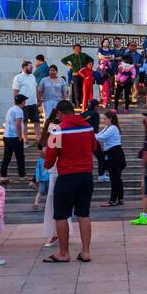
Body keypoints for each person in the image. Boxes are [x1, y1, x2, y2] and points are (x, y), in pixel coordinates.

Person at [42, 98, 97, 263]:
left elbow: (50, 159)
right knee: (83, 214)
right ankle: (85, 252)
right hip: (86, 175)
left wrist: (46, 160)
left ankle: (64, 253)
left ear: (59, 113)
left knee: (61, 215)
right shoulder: (88, 128)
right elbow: (94, 147)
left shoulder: (57, 130)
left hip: (67, 176)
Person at [97, 109, 126, 206]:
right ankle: (120, 198)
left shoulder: (113, 128)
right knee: (117, 178)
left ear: (110, 119)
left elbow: (102, 137)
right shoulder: (108, 127)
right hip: (112, 154)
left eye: (105, 118)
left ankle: (113, 200)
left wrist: (88, 134)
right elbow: (99, 135)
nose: (104, 120)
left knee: (115, 178)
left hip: (115, 154)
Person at [0, 94, 28, 179]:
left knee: (7, 157)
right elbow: (18, 124)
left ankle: (3, 175)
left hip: (7, 136)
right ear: (22, 102)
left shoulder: (11, 109)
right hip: (15, 137)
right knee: (20, 157)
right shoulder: (19, 111)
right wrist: (20, 136)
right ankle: (22, 175)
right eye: (24, 101)